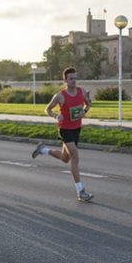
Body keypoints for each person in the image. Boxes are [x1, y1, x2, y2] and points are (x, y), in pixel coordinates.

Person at [32, 67, 94, 202]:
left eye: (75, 78)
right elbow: (47, 109)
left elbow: (88, 104)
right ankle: (80, 191)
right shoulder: (60, 96)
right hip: (64, 129)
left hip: (77, 128)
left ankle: (43, 150)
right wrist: (55, 116)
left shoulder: (81, 91)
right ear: (65, 80)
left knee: (65, 158)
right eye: (71, 79)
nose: (74, 81)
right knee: (75, 156)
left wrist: (85, 111)